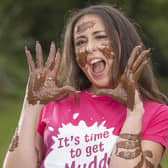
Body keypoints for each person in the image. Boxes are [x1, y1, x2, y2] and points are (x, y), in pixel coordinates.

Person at [3, 4, 168, 168]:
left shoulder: (156, 113)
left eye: (100, 36)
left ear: (123, 43)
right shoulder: (54, 105)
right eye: (80, 42)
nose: (89, 48)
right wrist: (30, 107)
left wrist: (134, 113)